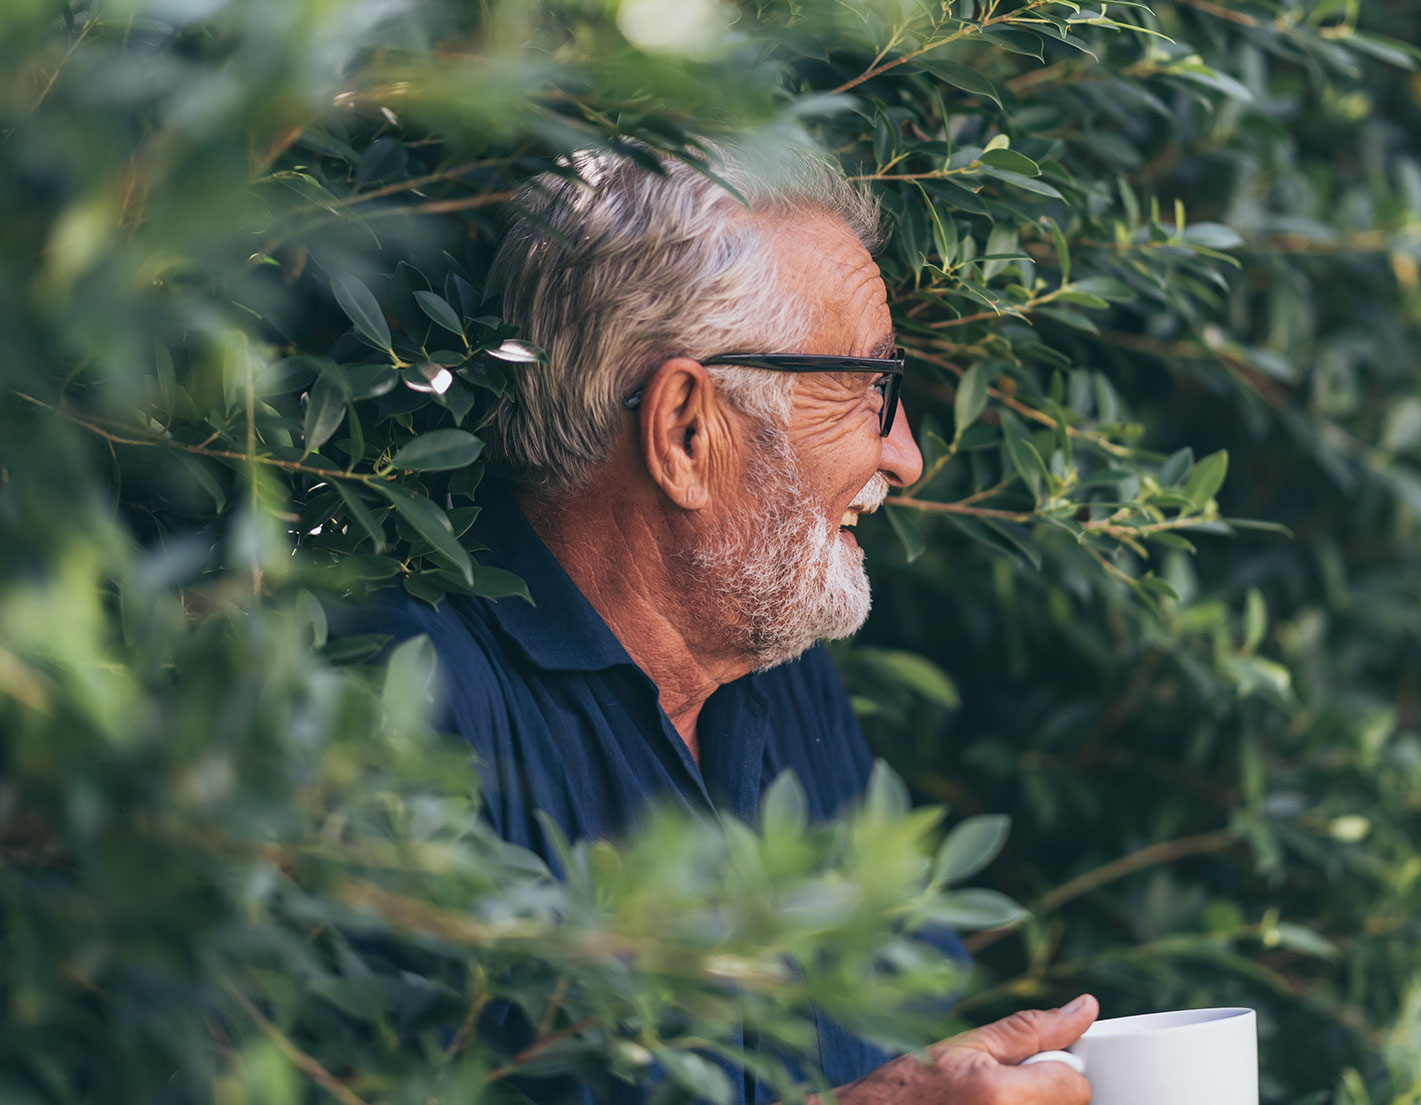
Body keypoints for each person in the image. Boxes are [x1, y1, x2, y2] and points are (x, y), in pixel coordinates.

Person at [368, 143, 1098, 1103]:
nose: (907, 455)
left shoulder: (776, 669)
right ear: (684, 430)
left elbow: (896, 1044)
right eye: (867, 389)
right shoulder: (408, 704)